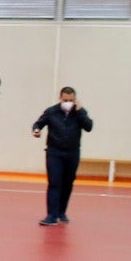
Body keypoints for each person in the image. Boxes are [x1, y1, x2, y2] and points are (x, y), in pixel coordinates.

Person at [34, 87, 93, 225]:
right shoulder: (52, 111)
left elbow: (89, 126)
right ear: (60, 99)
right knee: (54, 183)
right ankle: (51, 215)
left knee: (68, 183)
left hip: (72, 153)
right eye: (65, 100)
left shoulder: (80, 112)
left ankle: (61, 212)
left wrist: (80, 112)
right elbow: (39, 123)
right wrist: (36, 130)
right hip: (54, 152)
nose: (68, 103)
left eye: (71, 100)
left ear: (75, 99)